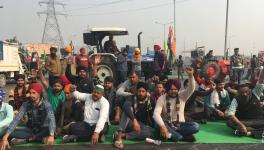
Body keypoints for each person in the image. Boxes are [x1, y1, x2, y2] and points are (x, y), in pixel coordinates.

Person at [0, 83, 56, 149]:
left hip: (43, 130)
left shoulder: (46, 105)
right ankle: (39, 139)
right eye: (30, 93)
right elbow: (16, 120)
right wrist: (5, 137)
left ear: (39, 93)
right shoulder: (25, 104)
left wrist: (51, 135)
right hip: (30, 130)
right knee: (8, 131)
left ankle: (27, 140)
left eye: (34, 93)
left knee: (50, 130)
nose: (31, 95)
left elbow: (51, 119)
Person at [153, 67, 199, 142]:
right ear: (167, 89)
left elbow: (191, 88)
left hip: (179, 124)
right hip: (167, 124)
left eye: (175, 89)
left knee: (195, 126)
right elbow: (156, 114)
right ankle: (181, 137)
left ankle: (172, 136)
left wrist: (190, 76)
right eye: (171, 89)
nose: (173, 91)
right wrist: (162, 126)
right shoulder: (162, 98)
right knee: (157, 124)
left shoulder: (182, 96)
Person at [226, 67, 264, 139]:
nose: (244, 94)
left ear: (250, 90)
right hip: (246, 121)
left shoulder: (256, 93)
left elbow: (261, 79)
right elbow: (230, 114)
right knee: (229, 122)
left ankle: (249, 132)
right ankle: (255, 131)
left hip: (259, 120)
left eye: (246, 92)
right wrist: (241, 125)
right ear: (238, 92)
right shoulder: (236, 99)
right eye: (242, 92)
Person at [113, 82, 154, 149]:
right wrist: (134, 120)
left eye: (143, 91)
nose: (141, 93)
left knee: (148, 133)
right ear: (136, 91)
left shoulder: (150, 100)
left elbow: (151, 114)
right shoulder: (131, 97)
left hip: (140, 125)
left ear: (146, 92)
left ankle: (123, 135)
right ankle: (119, 138)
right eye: (139, 91)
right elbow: (125, 106)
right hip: (129, 123)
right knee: (128, 110)